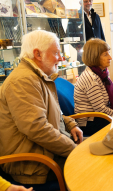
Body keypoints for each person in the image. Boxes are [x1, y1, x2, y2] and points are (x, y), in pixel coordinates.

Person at [0, 30, 82, 185]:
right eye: (56, 53)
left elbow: (47, 113)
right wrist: (74, 149)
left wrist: (70, 124)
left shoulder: (36, 76)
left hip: (45, 153)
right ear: (37, 54)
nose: (60, 58)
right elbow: (38, 128)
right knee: (96, 168)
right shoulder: (23, 81)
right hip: (35, 165)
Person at [74, 39, 113, 136]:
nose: (110, 57)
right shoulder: (91, 78)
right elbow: (101, 109)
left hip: (100, 116)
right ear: (94, 57)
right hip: (90, 122)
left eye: (109, 53)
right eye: (105, 54)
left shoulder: (103, 73)